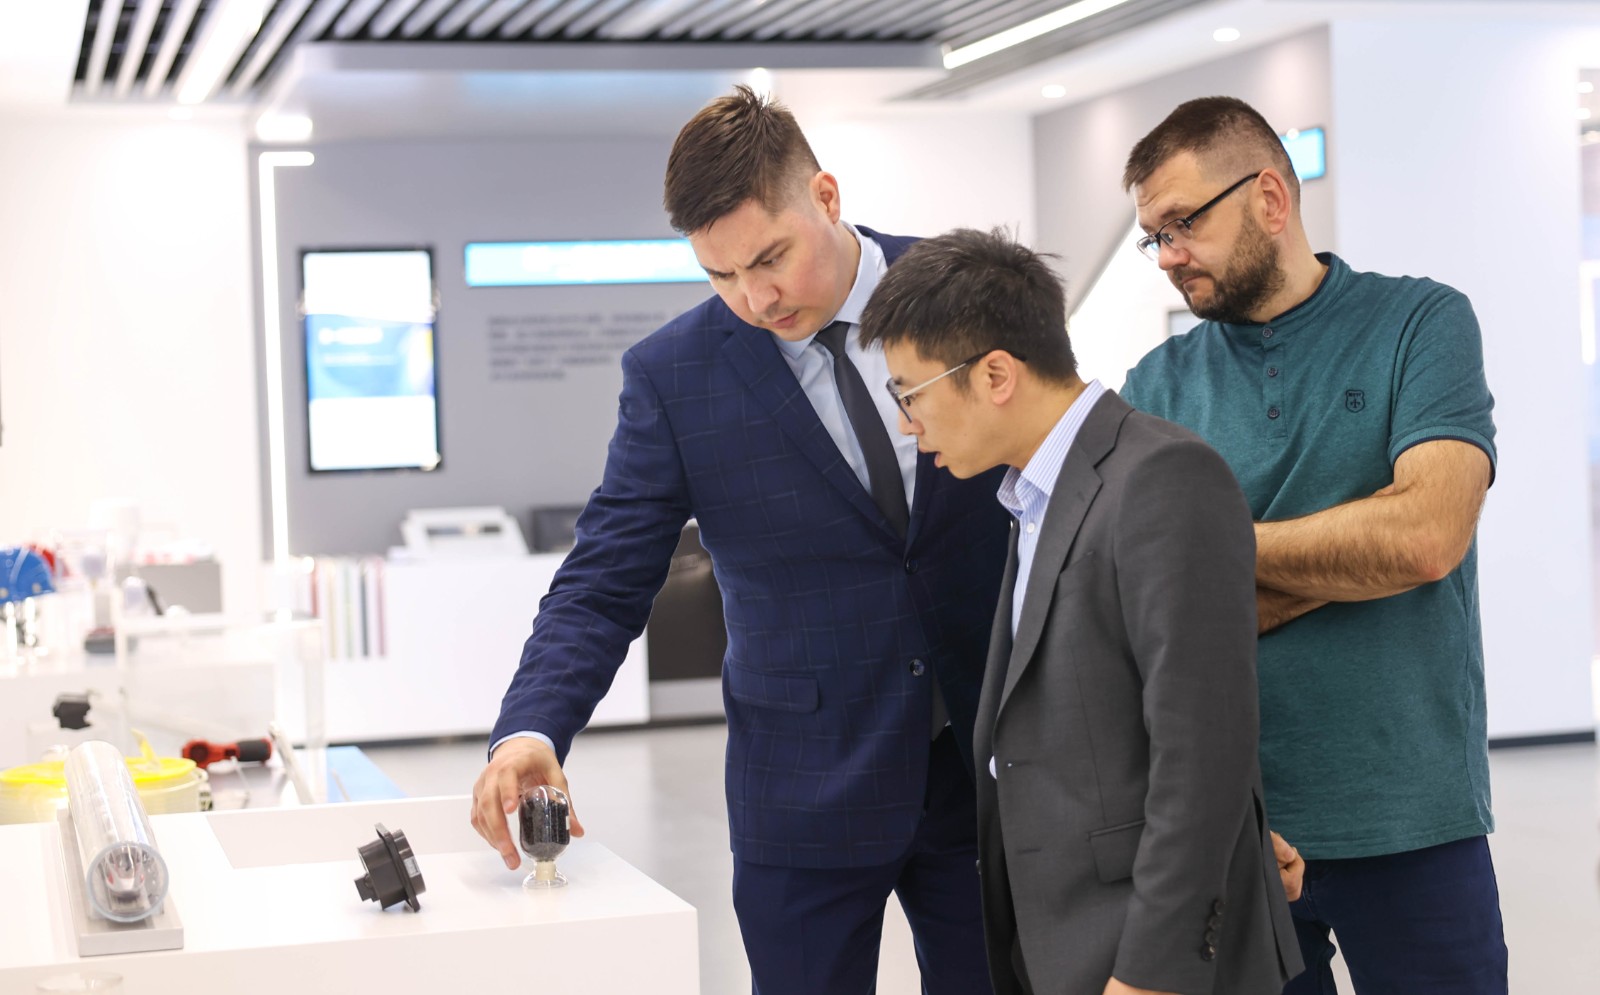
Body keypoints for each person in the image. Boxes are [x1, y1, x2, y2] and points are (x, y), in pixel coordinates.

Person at [469, 85, 1012, 994]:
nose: (754, 298)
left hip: (990, 762)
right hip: (806, 788)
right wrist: (531, 726)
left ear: (826, 197)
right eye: (719, 274)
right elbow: (604, 576)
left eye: (770, 258)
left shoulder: (970, 292)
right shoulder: (674, 377)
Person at [1118, 96, 1506, 994]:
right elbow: (1145, 598)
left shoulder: (1421, 323)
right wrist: (1355, 548)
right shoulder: (1156, 385)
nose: (1168, 255)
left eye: (1182, 223)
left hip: (1412, 813)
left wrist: (1218, 555)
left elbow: (1426, 536)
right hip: (1236, 823)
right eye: (1154, 237)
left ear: (1269, 198)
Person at [859, 226, 1303, 995]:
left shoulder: (1162, 477)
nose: (906, 422)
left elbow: (1202, 752)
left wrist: (1152, 970)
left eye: (910, 392)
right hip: (1066, 939)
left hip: (1143, 960)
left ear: (995, 374)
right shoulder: (1033, 497)